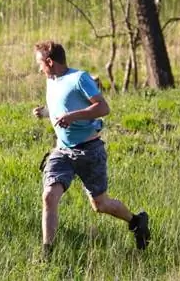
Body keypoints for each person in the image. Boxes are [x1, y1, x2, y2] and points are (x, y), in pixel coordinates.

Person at [32, 40, 150, 259]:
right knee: (49, 196)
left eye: (40, 63)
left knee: (100, 204)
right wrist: (47, 113)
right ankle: (47, 254)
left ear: (49, 61)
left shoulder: (79, 78)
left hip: (89, 150)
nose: (39, 69)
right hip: (62, 151)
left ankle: (136, 222)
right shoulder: (52, 80)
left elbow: (103, 108)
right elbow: (64, 106)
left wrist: (73, 117)